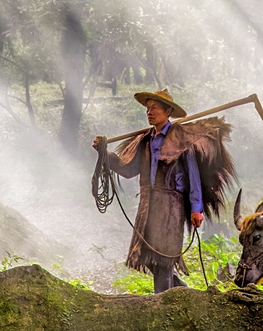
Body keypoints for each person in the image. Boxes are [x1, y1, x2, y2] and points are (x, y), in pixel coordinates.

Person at [93, 89, 235, 292]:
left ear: (168, 111)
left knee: (164, 261)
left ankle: (161, 304)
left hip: (170, 206)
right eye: (147, 108)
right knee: (148, 256)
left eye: (155, 108)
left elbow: (193, 177)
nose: (149, 112)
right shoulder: (145, 141)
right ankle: (181, 293)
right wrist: (104, 153)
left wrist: (196, 209)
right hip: (147, 205)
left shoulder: (181, 139)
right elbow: (127, 169)